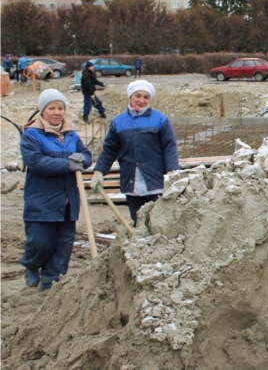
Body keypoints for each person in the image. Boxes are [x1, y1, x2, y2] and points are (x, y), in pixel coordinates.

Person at [20, 89, 92, 292]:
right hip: (41, 200)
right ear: (42, 110)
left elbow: (86, 155)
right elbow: (36, 162)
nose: (57, 112)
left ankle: (49, 281)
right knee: (40, 242)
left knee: (63, 245)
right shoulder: (32, 135)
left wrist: (83, 160)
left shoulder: (71, 134)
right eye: (52, 108)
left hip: (68, 201)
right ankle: (32, 265)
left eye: (60, 108)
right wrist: (67, 165)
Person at [92, 80, 180, 225]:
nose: (141, 100)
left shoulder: (160, 119)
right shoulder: (119, 122)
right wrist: (99, 171)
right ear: (130, 97)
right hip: (131, 180)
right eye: (137, 96)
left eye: (146, 97)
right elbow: (109, 150)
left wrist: (172, 171)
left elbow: (169, 146)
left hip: (156, 180)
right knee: (138, 220)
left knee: (160, 220)